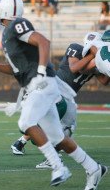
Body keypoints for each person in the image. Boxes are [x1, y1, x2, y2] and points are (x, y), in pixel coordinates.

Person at [0, 0, 108, 189]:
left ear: (3, 9)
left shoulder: (15, 25)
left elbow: (43, 42)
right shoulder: (8, 34)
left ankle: (58, 167)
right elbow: (18, 70)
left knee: (26, 122)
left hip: (43, 82)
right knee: (57, 137)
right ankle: (94, 168)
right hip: (37, 82)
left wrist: (40, 72)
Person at [11, 32, 110, 169]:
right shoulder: (76, 48)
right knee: (45, 122)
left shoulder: (93, 62)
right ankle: (23, 142)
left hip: (69, 96)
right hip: (56, 89)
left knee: (67, 128)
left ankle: (46, 155)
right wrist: (92, 56)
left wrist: (104, 66)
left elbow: (104, 81)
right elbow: (74, 67)